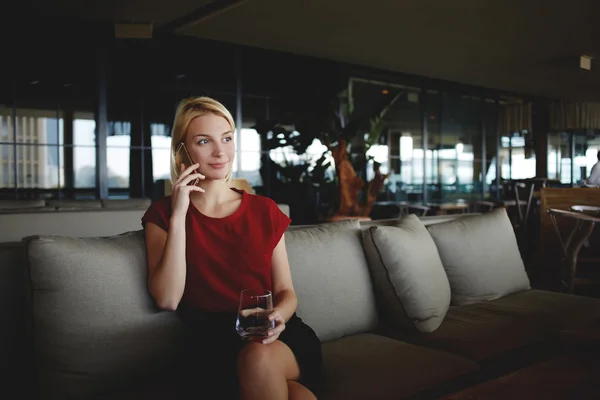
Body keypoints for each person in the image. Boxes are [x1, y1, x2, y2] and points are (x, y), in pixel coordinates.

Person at [141, 97, 322, 400]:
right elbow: (168, 298)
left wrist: (278, 317)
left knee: (258, 358)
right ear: (182, 151)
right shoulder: (162, 216)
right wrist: (180, 212)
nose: (220, 151)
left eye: (226, 138)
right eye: (204, 141)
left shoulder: (264, 210)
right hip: (214, 346)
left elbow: (287, 292)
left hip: (278, 337)